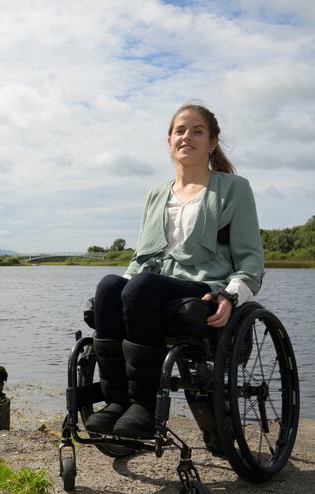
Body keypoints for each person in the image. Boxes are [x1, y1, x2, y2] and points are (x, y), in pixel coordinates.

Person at [85, 103, 264, 439]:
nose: (187, 137)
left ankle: (144, 407)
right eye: (180, 130)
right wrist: (112, 295)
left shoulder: (234, 190)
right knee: (109, 285)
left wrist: (231, 295)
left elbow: (252, 259)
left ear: (212, 142)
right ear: (169, 141)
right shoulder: (156, 195)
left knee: (142, 287)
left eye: (197, 131)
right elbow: (140, 260)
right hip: (152, 286)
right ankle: (116, 404)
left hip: (205, 290)